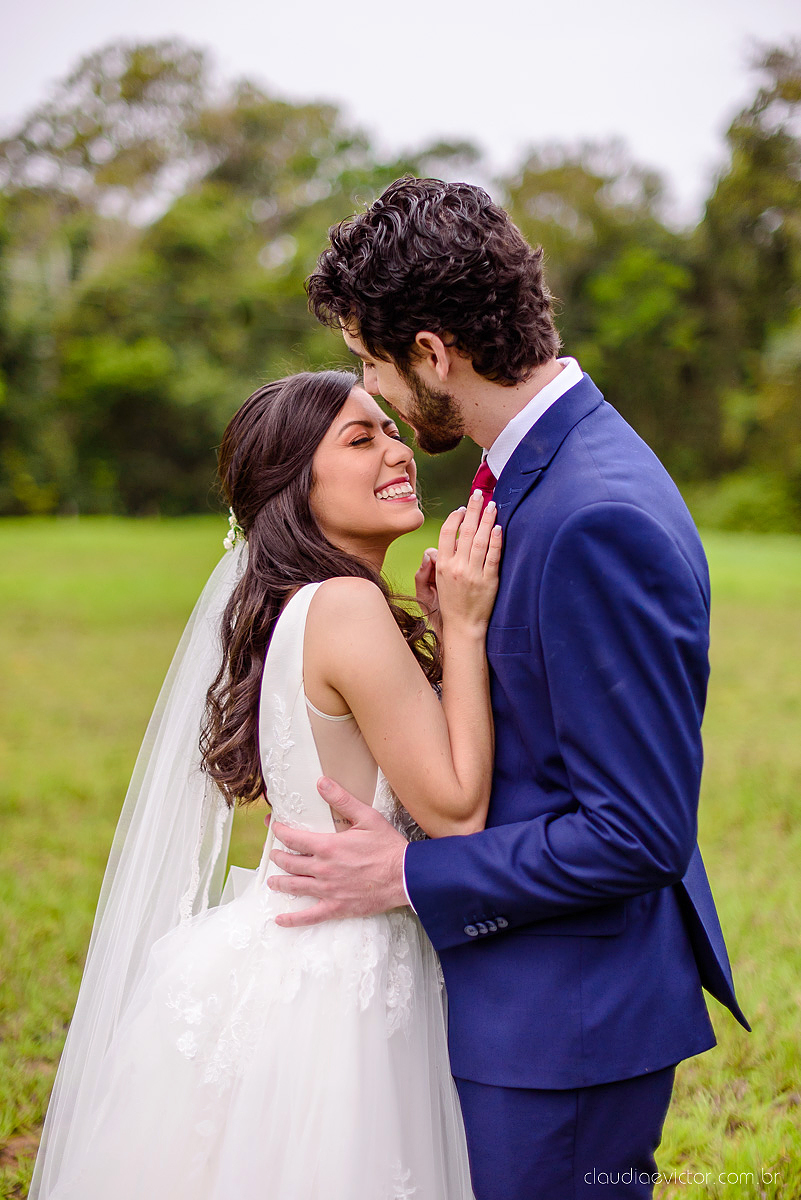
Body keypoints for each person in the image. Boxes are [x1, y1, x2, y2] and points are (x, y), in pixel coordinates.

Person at [265, 177, 751, 1200]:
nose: (380, 394)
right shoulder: (536, 474)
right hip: (518, 1000)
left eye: (373, 362)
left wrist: (408, 879)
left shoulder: (591, 515)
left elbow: (637, 832)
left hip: (564, 1030)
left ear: (434, 353)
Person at [30, 368, 504, 1200]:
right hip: (347, 970)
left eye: (390, 429)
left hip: (282, 941)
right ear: (296, 487)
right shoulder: (347, 608)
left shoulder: (302, 604)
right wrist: (464, 628)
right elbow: (458, 811)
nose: (397, 450)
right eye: (360, 440)